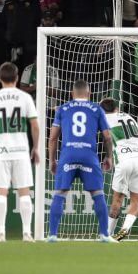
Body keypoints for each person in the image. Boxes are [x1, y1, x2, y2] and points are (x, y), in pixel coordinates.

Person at [46, 79, 117, 243]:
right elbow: (107, 137)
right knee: (97, 194)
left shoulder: (63, 109)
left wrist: (52, 160)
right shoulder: (97, 109)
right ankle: (104, 235)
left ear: (72, 93)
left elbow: (53, 138)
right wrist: (109, 157)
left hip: (68, 155)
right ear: (89, 93)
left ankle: (52, 235)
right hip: (89, 156)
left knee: (60, 194)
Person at [0, 62, 39, 242]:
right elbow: (35, 125)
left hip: (2, 150)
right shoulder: (25, 97)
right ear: (17, 77)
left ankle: (0, 233)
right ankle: (27, 233)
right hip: (21, 150)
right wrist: (36, 147)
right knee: (24, 192)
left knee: (1, 191)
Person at [101, 97, 138, 241]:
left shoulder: (104, 119)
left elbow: (107, 138)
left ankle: (107, 235)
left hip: (124, 160)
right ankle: (124, 230)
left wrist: (108, 156)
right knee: (136, 202)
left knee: (117, 200)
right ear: (116, 108)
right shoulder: (129, 117)